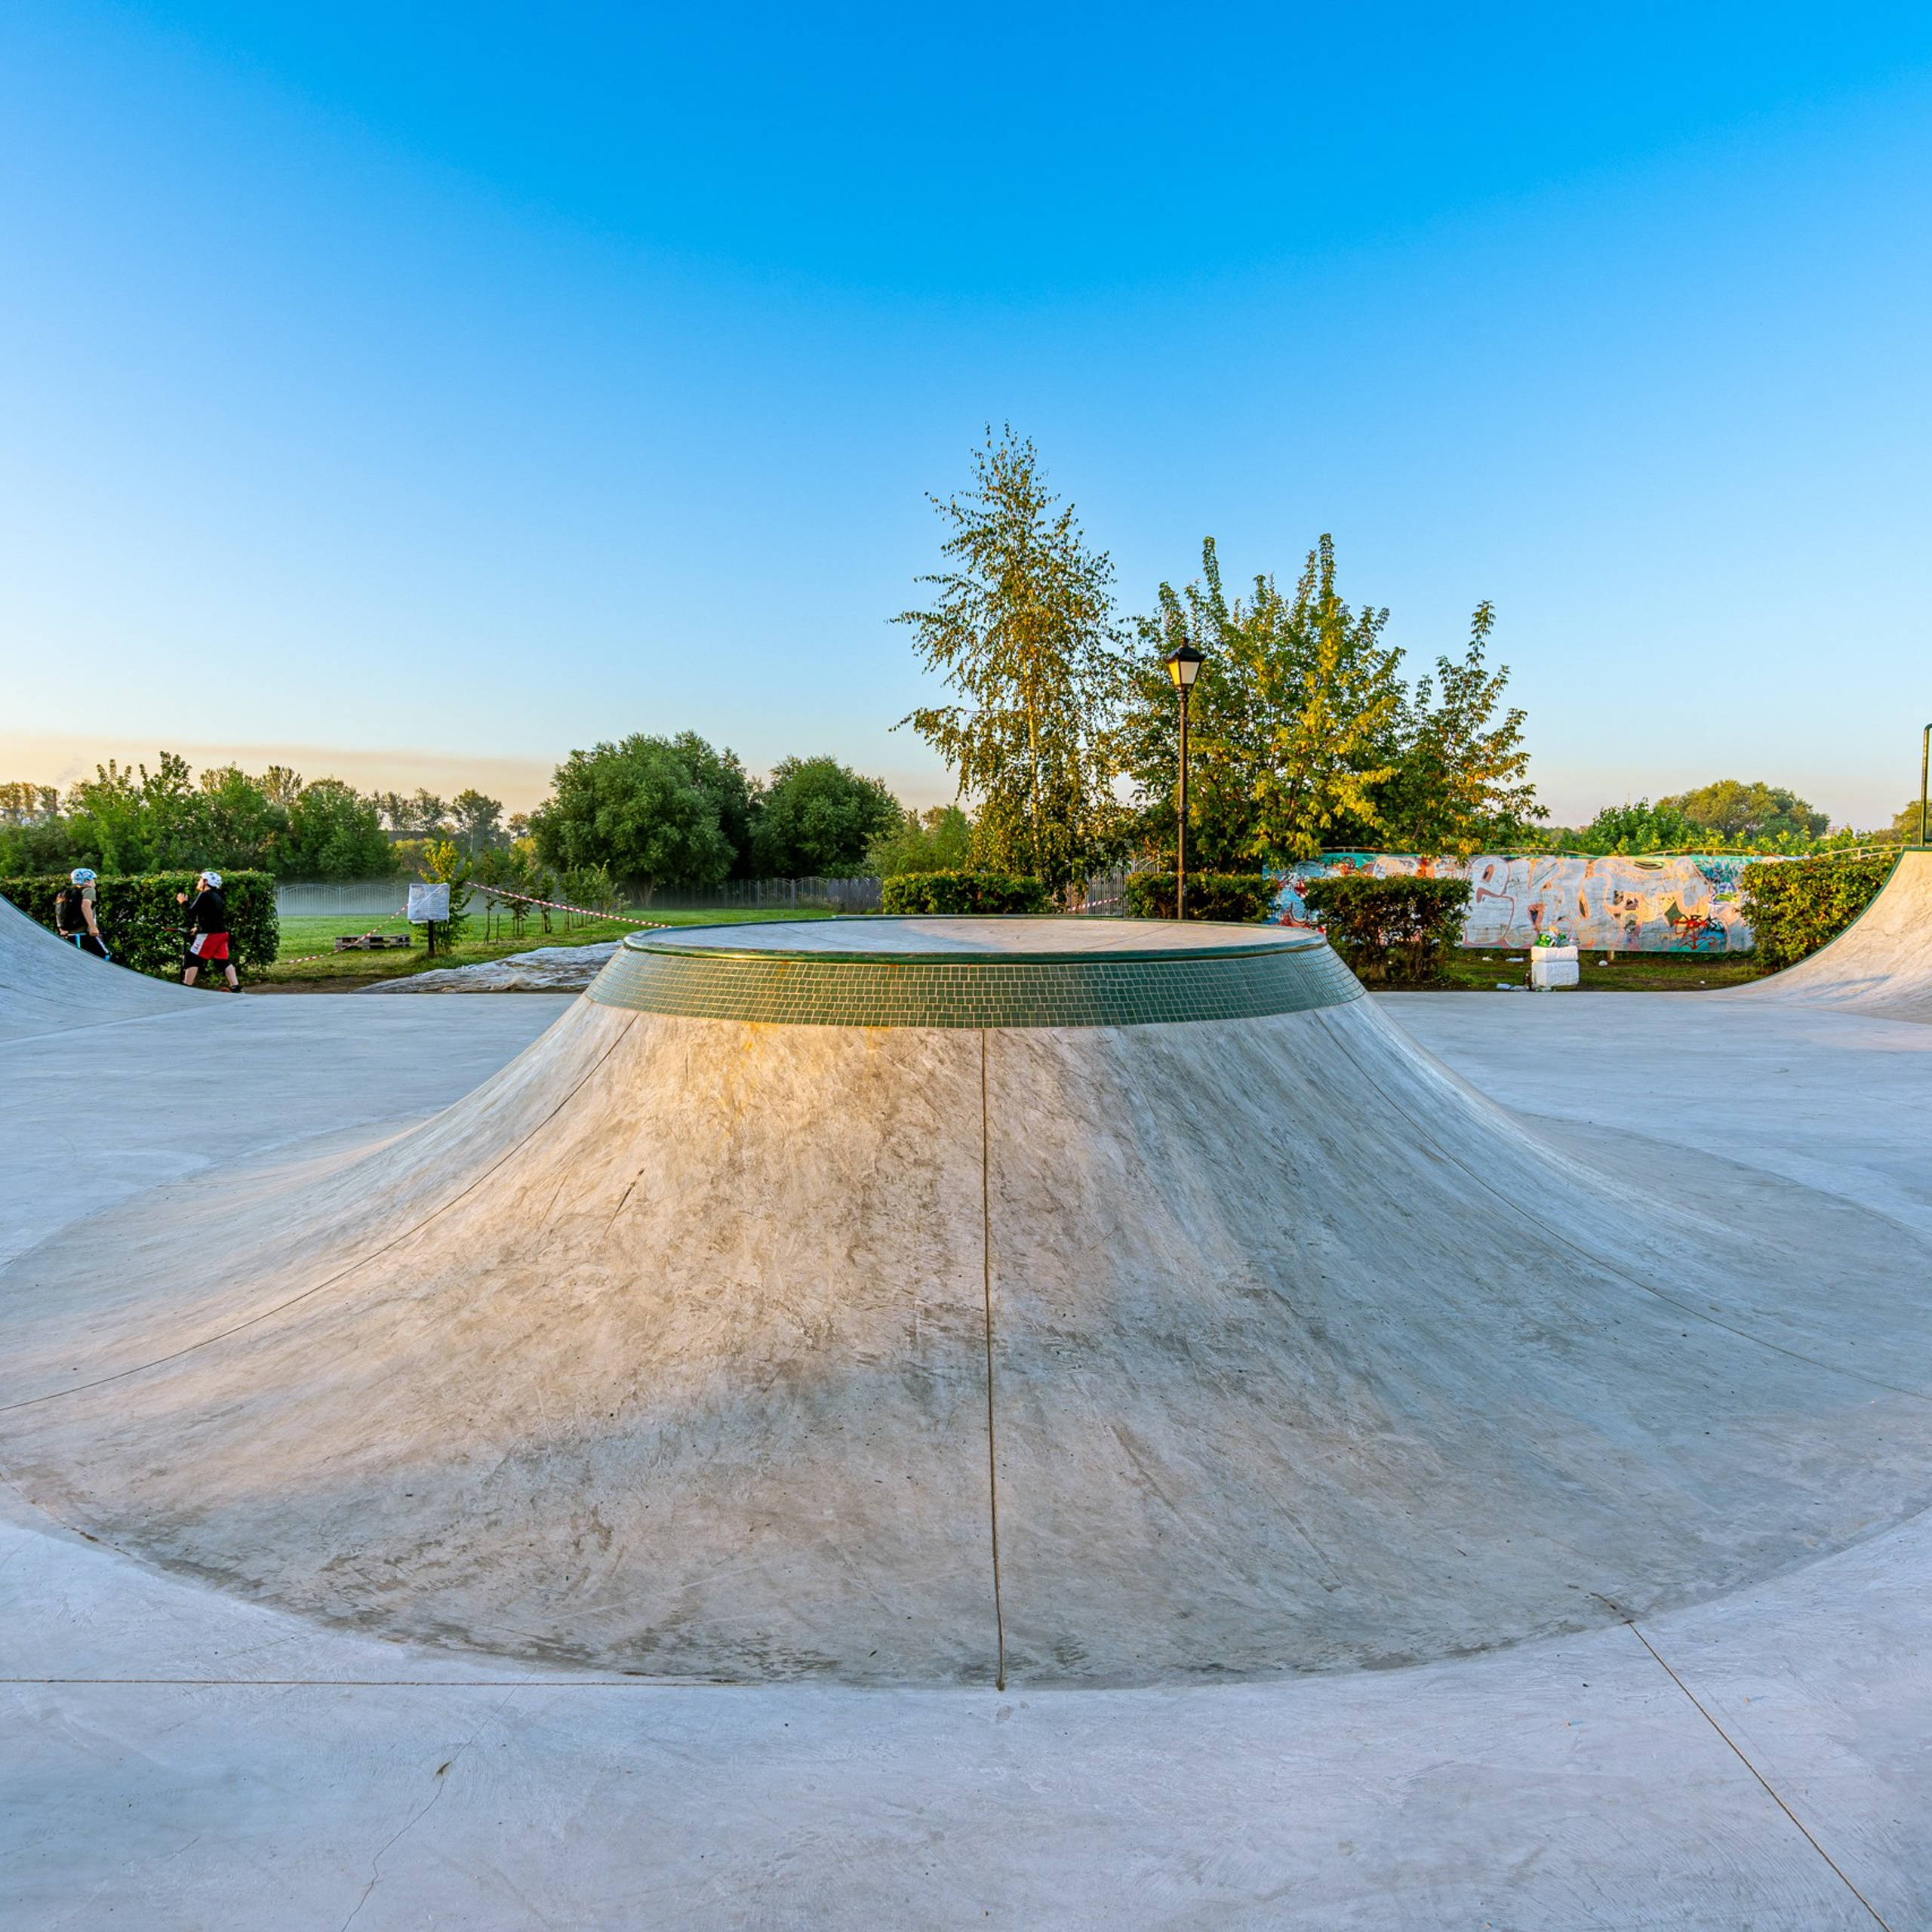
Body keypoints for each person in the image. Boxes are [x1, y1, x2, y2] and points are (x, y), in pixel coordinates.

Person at [177, 869, 239, 991]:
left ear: (206, 882)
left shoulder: (204, 895)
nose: (199, 881)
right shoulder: (217, 896)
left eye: (200, 879)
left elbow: (191, 912)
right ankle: (236, 987)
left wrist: (183, 903)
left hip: (211, 934)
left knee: (192, 958)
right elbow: (212, 916)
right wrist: (199, 928)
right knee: (222, 962)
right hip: (222, 933)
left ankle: (186, 988)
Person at [54, 868, 110, 959]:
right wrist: (93, 927)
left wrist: (61, 929)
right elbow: (85, 906)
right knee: (105, 956)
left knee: (78, 959)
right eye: (93, 880)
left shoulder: (66, 894)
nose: (94, 883)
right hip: (85, 933)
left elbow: (59, 911)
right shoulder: (88, 890)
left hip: (69, 934)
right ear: (87, 880)